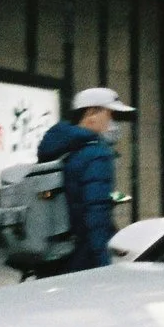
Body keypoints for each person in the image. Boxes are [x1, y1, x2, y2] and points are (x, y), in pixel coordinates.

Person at [37, 87, 133, 272]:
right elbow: (95, 215)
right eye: (111, 115)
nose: (114, 124)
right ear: (91, 113)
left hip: (53, 256)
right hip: (82, 259)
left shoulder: (58, 148)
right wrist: (104, 264)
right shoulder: (96, 154)